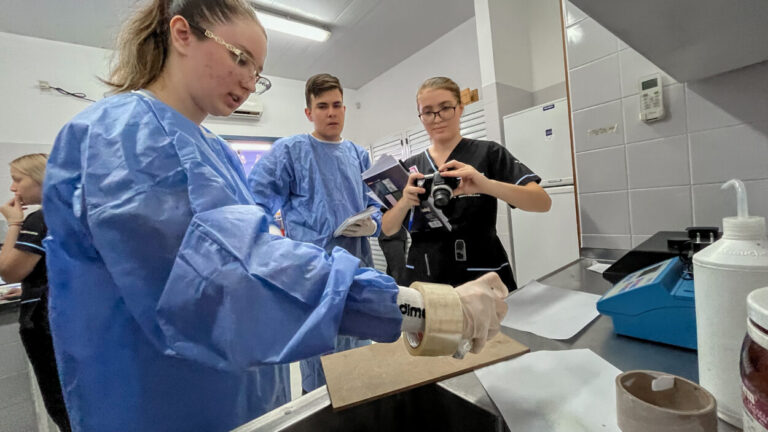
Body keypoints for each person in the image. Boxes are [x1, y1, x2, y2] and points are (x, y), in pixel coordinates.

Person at [42, 2, 508, 431]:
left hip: (241, 392)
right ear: (182, 33)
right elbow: (237, 279)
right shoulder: (123, 136)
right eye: (240, 58)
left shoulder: (214, 150)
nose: (249, 80)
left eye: (259, 72)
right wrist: (426, 308)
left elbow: (254, 246)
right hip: (160, 404)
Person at [248, 73, 381, 393]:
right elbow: (254, 205)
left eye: (337, 105)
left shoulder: (358, 155)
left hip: (357, 271)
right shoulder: (290, 152)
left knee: (359, 364)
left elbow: (376, 203)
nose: (331, 112)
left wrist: (372, 223)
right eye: (322, 106)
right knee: (322, 374)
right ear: (309, 113)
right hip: (314, 276)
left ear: (345, 109)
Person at [381, 77, 552, 292]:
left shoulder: (488, 153)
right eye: (428, 111)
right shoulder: (410, 167)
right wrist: (405, 201)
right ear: (421, 116)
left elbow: (542, 202)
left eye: (445, 108)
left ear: (460, 109)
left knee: (491, 325)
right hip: (425, 276)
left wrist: (485, 185)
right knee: (429, 326)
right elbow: (388, 228)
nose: (437, 118)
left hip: (481, 273)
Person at [0, 154, 71, 431]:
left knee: (60, 402)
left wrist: (14, 222)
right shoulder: (73, 210)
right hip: (72, 316)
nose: (13, 189)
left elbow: (8, 271)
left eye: (18, 180)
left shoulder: (41, 218)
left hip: (45, 322)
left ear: (42, 179)